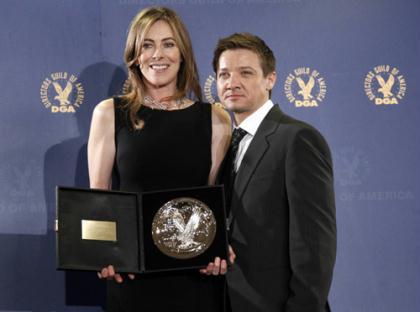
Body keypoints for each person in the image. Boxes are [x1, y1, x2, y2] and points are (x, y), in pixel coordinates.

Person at [87, 7, 232, 311]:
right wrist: (104, 254)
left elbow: (214, 203)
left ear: (182, 53)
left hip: (195, 278)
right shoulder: (110, 114)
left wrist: (218, 252)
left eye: (168, 44)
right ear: (135, 55)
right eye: (147, 45)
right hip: (131, 277)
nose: (158, 54)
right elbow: (99, 199)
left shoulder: (216, 119)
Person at [213, 33, 337, 312]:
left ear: (270, 79)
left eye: (245, 73)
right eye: (224, 75)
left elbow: (315, 246)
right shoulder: (225, 146)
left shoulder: (297, 139)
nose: (232, 82)